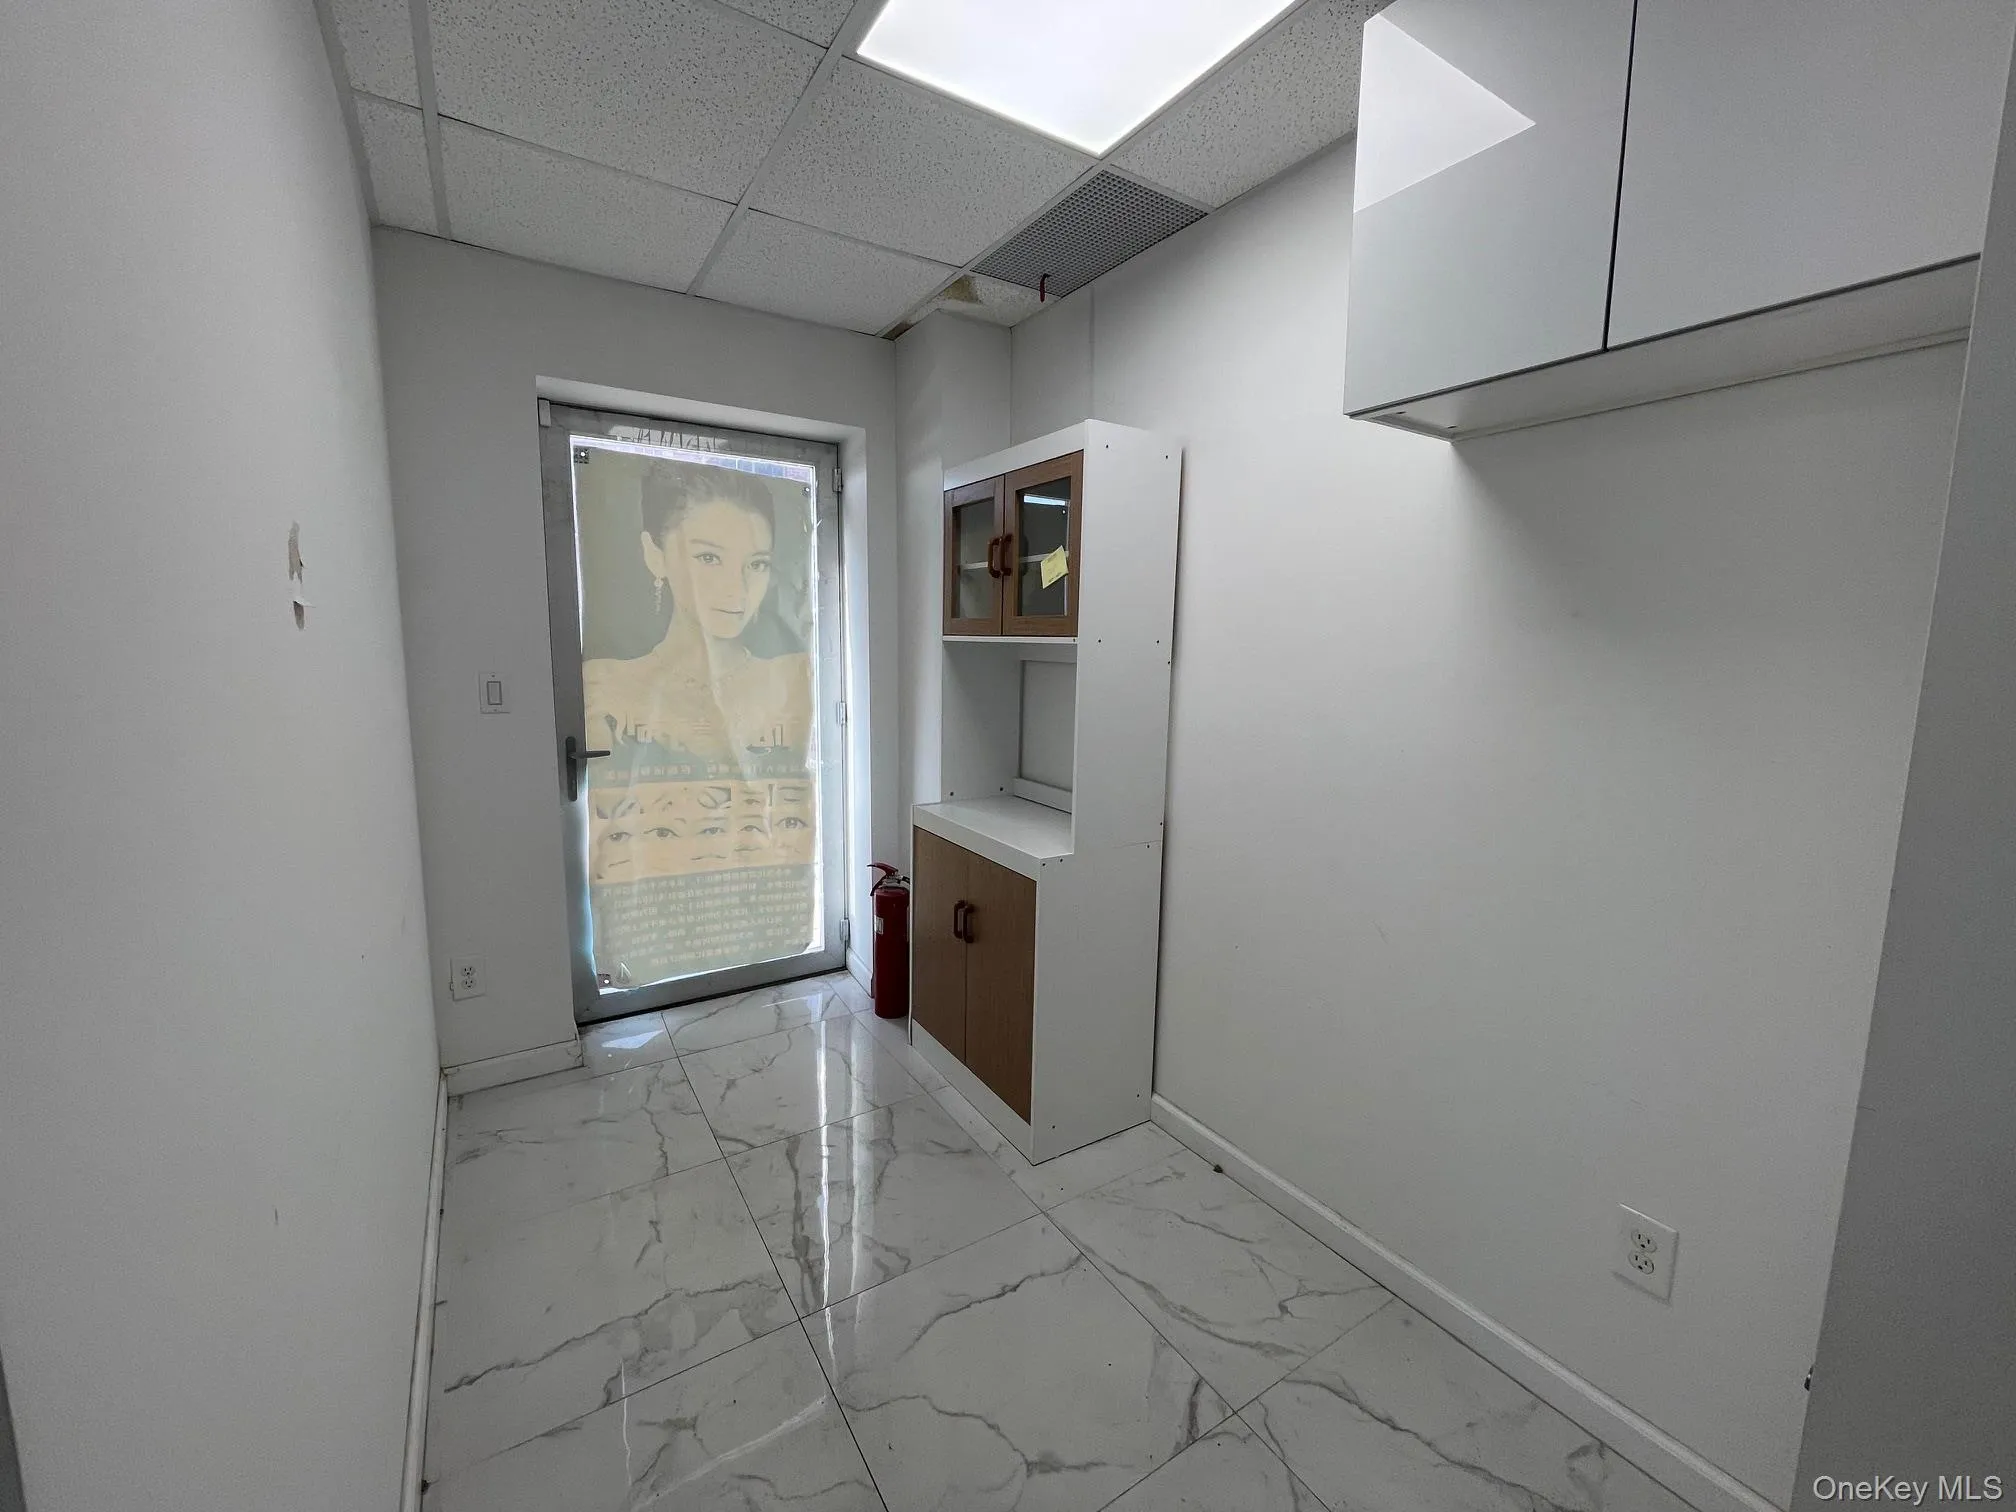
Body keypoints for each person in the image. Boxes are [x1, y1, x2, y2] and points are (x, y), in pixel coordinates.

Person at [583, 460, 812, 773]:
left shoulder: (797, 679)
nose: (737, 589)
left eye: (756, 564)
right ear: (655, 555)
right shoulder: (605, 687)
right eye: (709, 558)